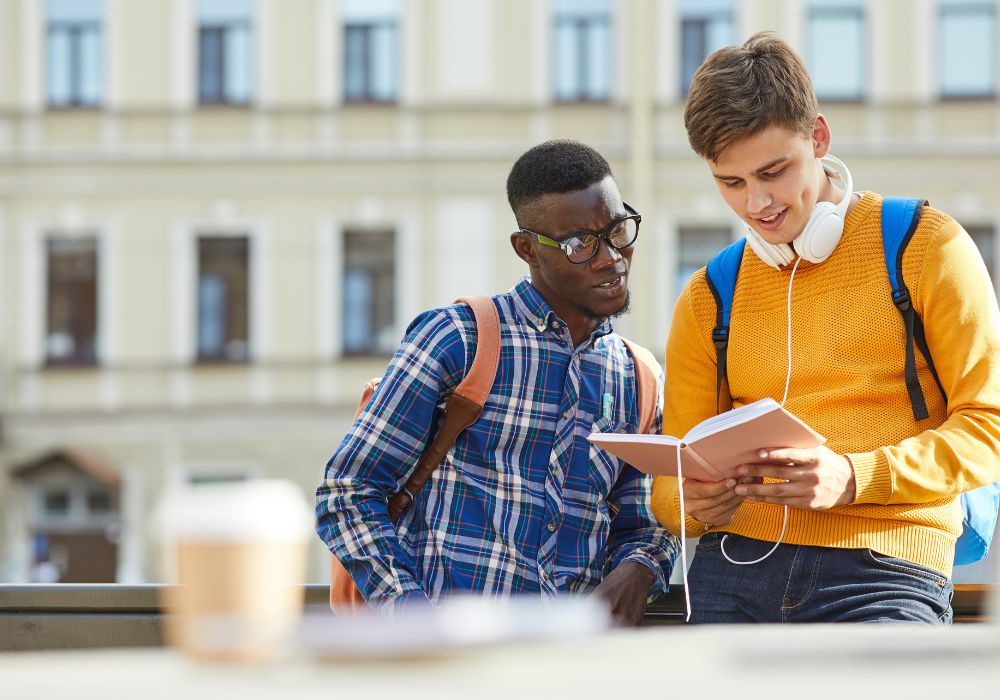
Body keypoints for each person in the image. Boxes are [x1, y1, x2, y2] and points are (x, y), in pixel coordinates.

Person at [652, 33, 1000, 623]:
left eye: (773, 171)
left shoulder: (927, 246)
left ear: (818, 136)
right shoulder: (708, 295)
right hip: (733, 566)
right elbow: (670, 488)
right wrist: (690, 500)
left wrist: (852, 476)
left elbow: (988, 427)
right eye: (730, 183)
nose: (757, 204)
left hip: (889, 567)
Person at [317, 140, 678, 623]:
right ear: (526, 248)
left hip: (571, 662)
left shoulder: (639, 377)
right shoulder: (457, 339)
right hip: (449, 663)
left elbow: (646, 525)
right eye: (579, 244)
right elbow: (347, 492)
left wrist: (639, 569)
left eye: (617, 230)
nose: (610, 257)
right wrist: (413, 618)